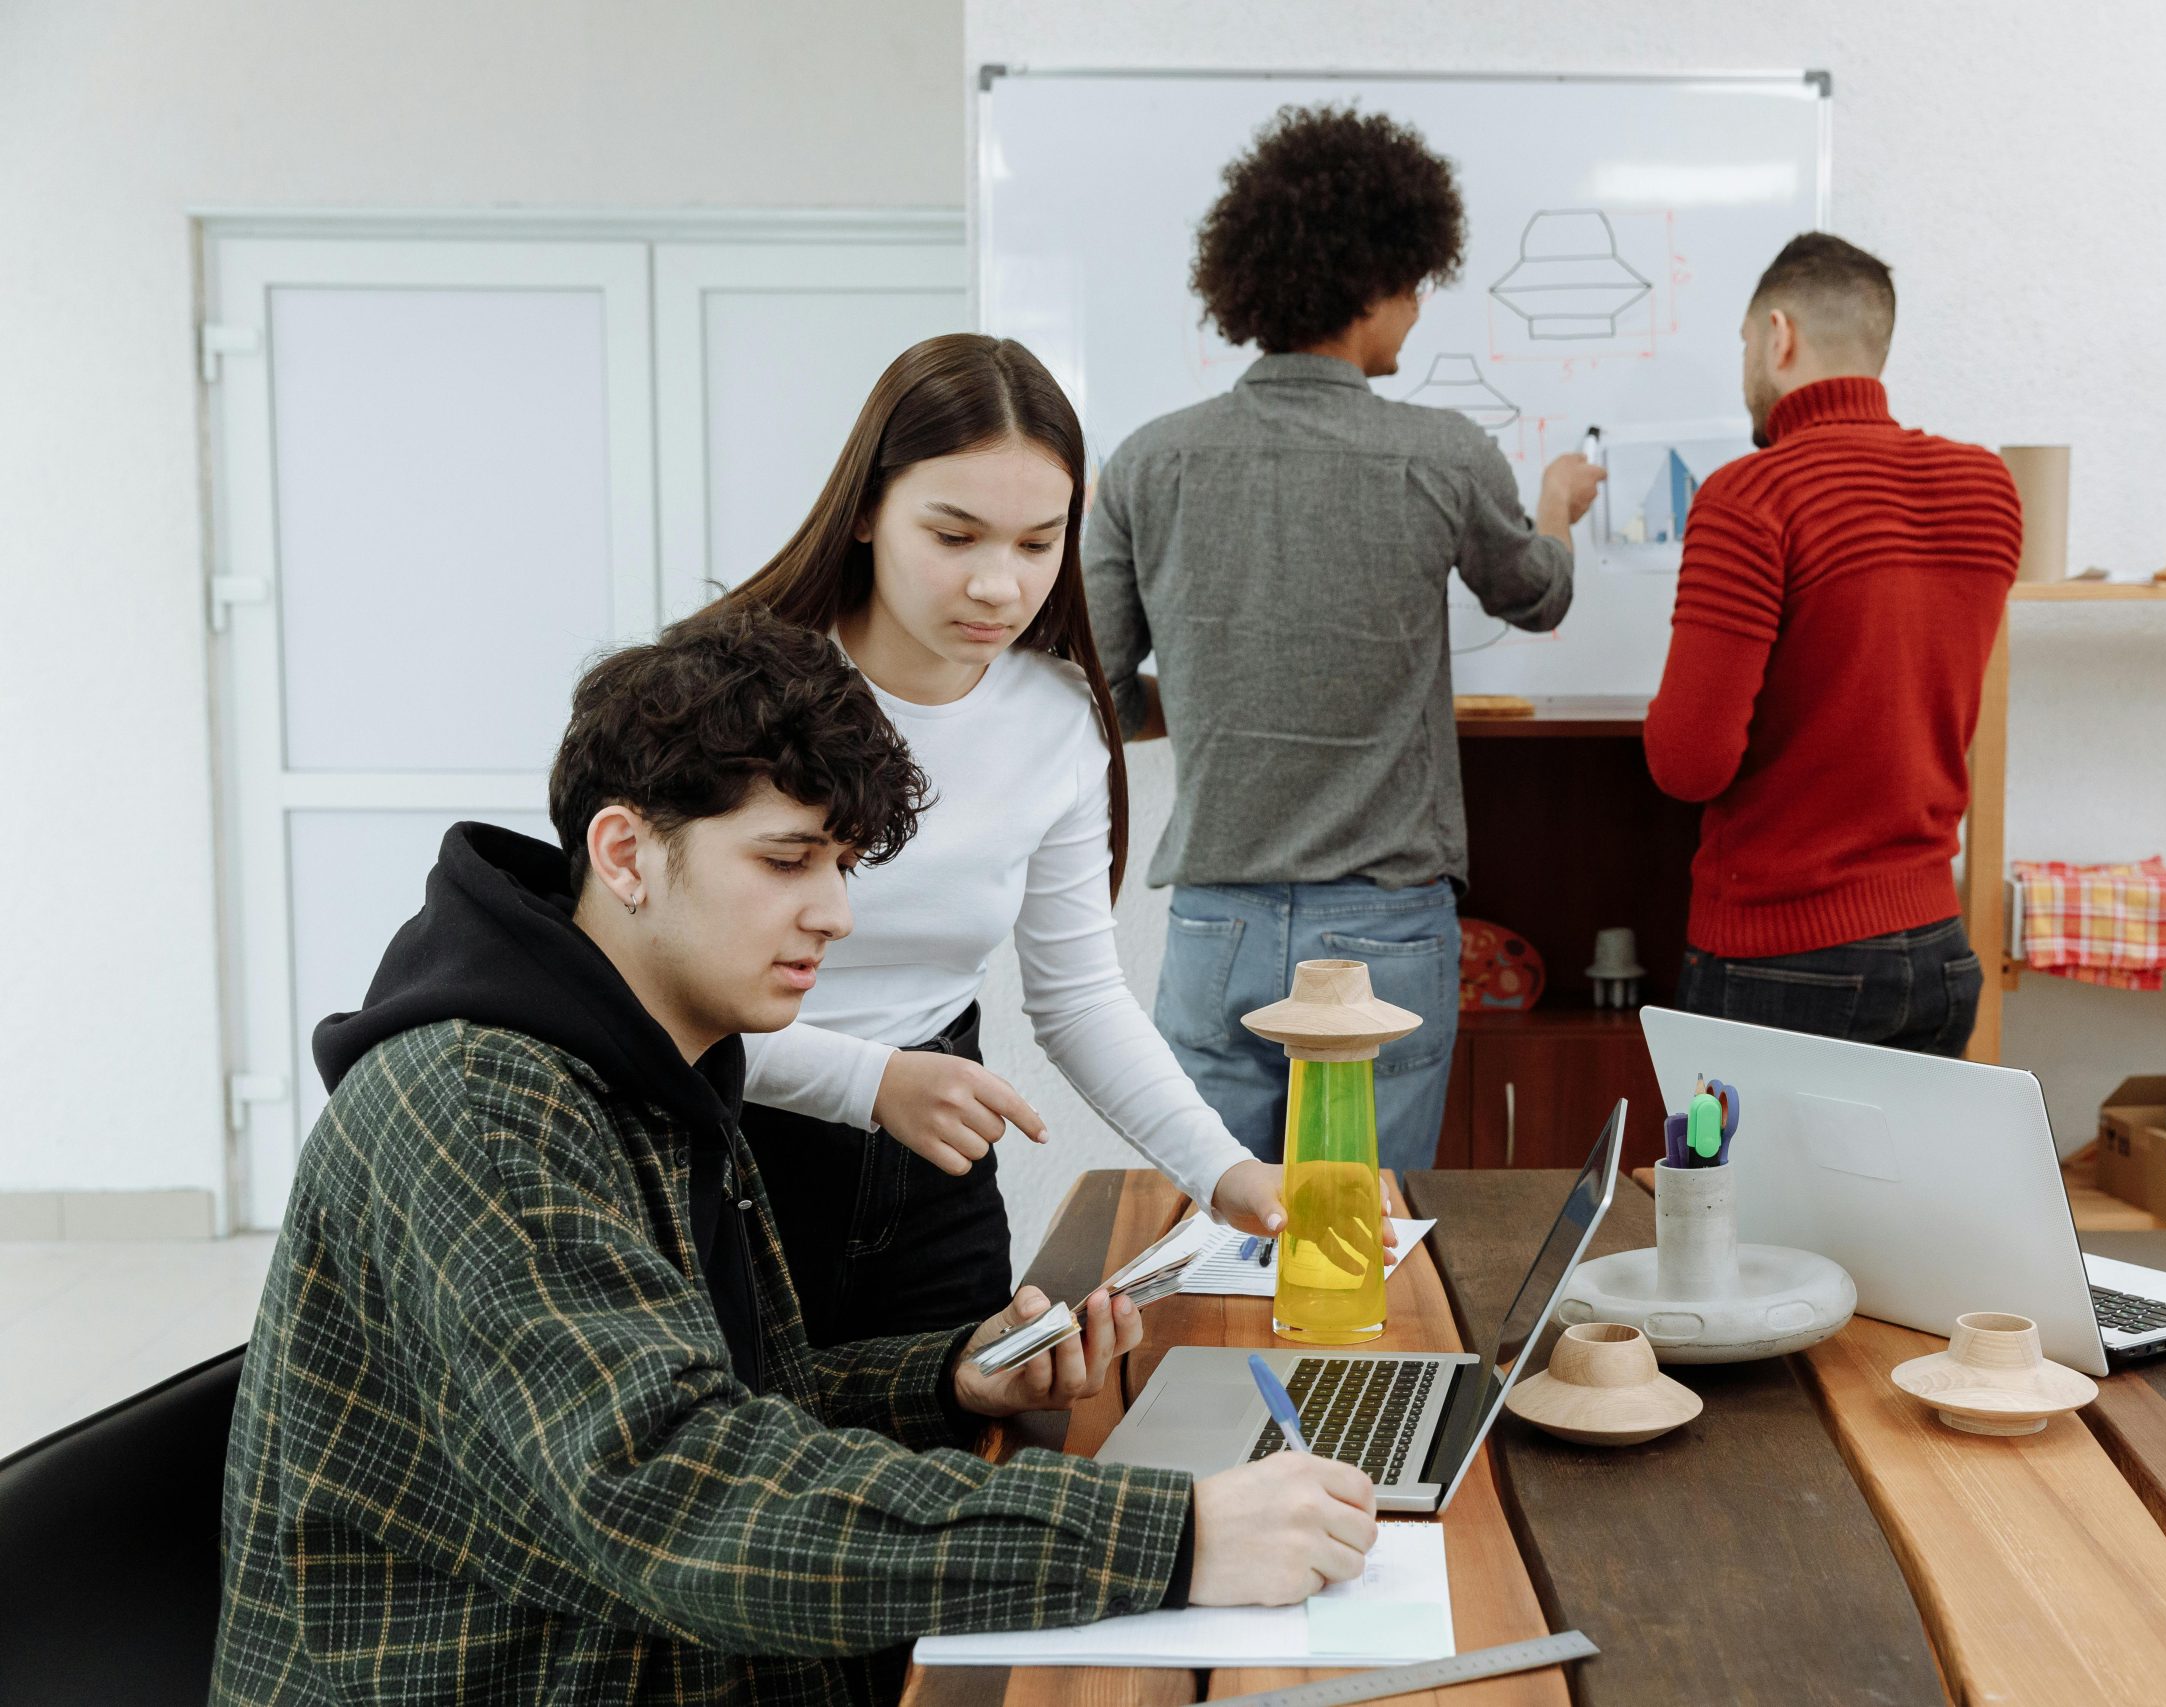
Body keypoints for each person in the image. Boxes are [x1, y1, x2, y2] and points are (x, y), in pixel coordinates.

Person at [213, 608, 1379, 1707]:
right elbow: (674, 1496)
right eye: (786, 862)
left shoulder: (652, 1050)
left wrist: (947, 1379)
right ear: (624, 852)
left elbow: (719, 1403)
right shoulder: (483, 1099)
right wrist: (1174, 1539)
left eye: (842, 865)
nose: (835, 915)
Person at [713, 333, 1289, 1347]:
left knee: (959, 1466)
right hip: (734, 1155)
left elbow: (1075, 997)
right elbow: (637, 1002)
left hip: (937, 1165)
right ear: (865, 513)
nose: (998, 586)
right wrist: (870, 1083)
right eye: (955, 536)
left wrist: (1223, 1169)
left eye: (1036, 544)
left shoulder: (1056, 711)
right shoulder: (728, 695)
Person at [1085, 106, 1605, 1174]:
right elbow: (1538, 596)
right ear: (1367, 285)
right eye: (1413, 285)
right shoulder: (1441, 453)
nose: (1415, 313)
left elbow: (1092, 686)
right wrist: (1558, 504)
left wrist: (1213, 691)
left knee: (1211, 1240)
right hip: (1384, 927)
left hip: (1214, 927)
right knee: (1364, 1245)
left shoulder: (1150, 462)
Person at [1644, 233, 2021, 1056]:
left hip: (1780, 960)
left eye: (1747, 344)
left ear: (1779, 335)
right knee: (1897, 1193)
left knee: (1743, 1195)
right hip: (1935, 947)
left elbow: (1687, 761)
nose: (1747, 366)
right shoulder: (1986, 488)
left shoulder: (1750, 497)